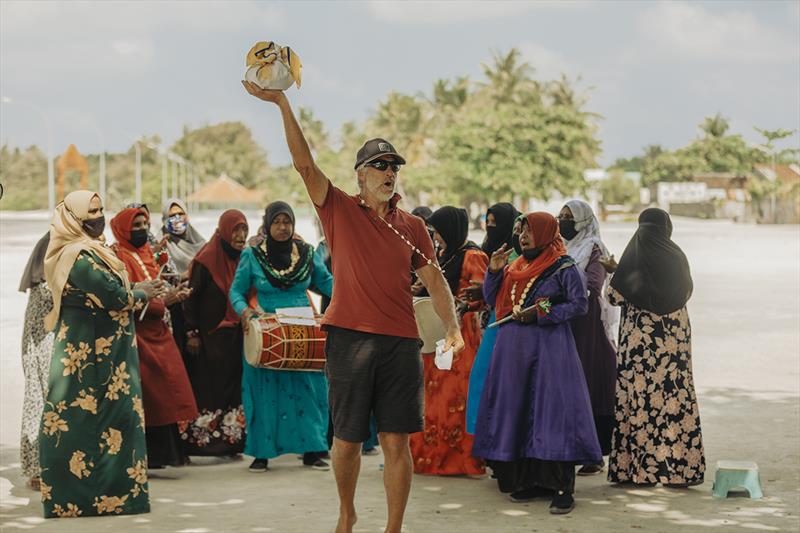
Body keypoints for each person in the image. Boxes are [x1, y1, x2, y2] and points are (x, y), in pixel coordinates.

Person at [242, 81, 464, 533]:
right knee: (345, 442)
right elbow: (304, 165)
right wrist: (282, 102)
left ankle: (394, 527)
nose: (388, 173)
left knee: (395, 440)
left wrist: (452, 327)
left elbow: (434, 280)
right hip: (348, 340)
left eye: (393, 167)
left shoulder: (414, 227)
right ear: (360, 175)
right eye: (379, 166)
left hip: (401, 343)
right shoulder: (339, 208)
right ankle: (347, 514)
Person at [40, 190, 161, 518]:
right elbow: (112, 296)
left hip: (107, 352)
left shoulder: (91, 250)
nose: (98, 216)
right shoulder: (76, 255)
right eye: (90, 211)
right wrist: (141, 291)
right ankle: (77, 499)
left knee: (112, 423)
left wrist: (136, 292)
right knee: (80, 423)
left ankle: (115, 496)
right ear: (74, 218)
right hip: (89, 354)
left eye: (100, 209)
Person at [471, 212, 601, 515]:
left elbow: (577, 302)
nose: (523, 235)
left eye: (529, 230)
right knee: (521, 412)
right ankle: (533, 480)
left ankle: (561, 487)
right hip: (513, 353)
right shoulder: (516, 265)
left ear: (544, 232)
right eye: (520, 230)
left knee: (551, 412)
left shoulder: (563, 266)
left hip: (549, 351)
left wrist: (539, 312)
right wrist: (493, 271)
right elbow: (495, 300)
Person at [229, 201, 333, 473]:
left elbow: (327, 284)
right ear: (267, 224)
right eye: (277, 222)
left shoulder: (307, 254)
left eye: (287, 222)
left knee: (308, 389)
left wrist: (352, 294)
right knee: (264, 391)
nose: (283, 227)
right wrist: (246, 313)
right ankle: (261, 453)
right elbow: (236, 292)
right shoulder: (252, 256)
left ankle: (313, 450)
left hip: (302, 328)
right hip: (267, 329)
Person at [604, 208, 705, 486]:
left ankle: (635, 470)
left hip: (639, 346)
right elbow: (685, 291)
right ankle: (681, 469)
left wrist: (616, 273)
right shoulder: (677, 256)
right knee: (674, 397)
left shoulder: (632, 257)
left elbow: (613, 296)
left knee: (639, 401)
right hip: (673, 342)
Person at [111, 207, 198, 469]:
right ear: (123, 228)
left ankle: (168, 454)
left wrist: (173, 297)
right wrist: (164, 301)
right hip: (139, 334)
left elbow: (158, 285)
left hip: (159, 329)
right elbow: (124, 297)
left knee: (170, 389)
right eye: (135, 225)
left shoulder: (146, 252)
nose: (141, 229)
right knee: (151, 395)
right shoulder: (118, 256)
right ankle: (151, 457)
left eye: (144, 224)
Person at [409, 206, 487, 475]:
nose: (437, 237)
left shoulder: (473, 256)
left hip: (460, 331)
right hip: (436, 329)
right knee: (434, 394)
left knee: (455, 396)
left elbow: (478, 296)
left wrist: (457, 301)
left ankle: (457, 460)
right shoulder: (444, 255)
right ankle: (433, 456)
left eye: (439, 232)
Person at [181, 210, 249, 456]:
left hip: (235, 338)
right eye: (236, 230)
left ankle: (231, 443)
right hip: (209, 339)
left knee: (233, 390)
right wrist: (192, 334)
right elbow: (190, 300)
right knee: (209, 389)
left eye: (244, 230)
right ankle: (204, 443)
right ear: (224, 231)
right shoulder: (205, 260)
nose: (240, 236)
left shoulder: (244, 259)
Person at [558, 200, 618, 474]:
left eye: (569, 217)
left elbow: (594, 284)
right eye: (561, 216)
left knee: (587, 379)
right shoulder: (558, 246)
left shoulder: (593, 247)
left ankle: (593, 453)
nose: (563, 221)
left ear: (583, 220)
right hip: (562, 318)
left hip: (586, 321)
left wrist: (562, 287)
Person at [465, 202, 520, 435]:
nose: (490, 228)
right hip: (492, 321)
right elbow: (490, 292)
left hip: (514, 326)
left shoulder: (521, 257)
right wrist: (490, 279)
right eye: (488, 223)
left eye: (495, 224)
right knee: (484, 379)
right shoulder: (488, 249)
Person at [18, 232, 54, 490]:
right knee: (41, 405)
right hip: (42, 352)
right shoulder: (45, 288)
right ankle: (37, 471)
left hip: (46, 351)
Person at [160, 198, 206, 354]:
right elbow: (159, 276)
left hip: (200, 310)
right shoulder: (160, 245)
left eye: (181, 213)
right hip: (175, 313)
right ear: (164, 219)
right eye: (172, 215)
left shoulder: (201, 243)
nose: (177, 219)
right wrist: (183, 276)